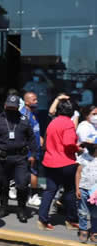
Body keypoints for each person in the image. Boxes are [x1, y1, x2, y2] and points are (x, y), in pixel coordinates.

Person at [0, 95, 37, 222]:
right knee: (3, 184)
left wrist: (33, 154)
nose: (11, 109)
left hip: (20, 157)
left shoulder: (24, 120)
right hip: (3, 157)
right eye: (9, 107)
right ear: (5, 106)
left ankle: (21, 209)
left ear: (18, 107)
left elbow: (32, 138)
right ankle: (3, 207)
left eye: (14, 107)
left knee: (22, 185)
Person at [38, 99, 80, 231]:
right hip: (65, 162)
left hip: (50, 162)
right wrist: (78, 148)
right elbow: (68, 143)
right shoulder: (68, 124)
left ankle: (42, 220)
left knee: (50, 190)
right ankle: (71, 220)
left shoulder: (53, 122)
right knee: (70, 191)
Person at [21, 92, 43, 207]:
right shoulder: (24, 114)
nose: (37, 101)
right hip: (30, 149)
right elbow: (23, 134)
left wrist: (40, 137)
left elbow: (33, 130)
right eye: (34, 100)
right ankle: (33, 196)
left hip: (35, 147)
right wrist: (30, 151)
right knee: (32, 172)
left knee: (33, 171)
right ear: (27, 101)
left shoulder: (33, 113)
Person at [75, 133, 97, 243]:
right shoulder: (83, 157)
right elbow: (78, 173)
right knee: (83, 211)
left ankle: (94, 231)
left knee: (95, 213)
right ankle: (83, 229)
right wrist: (77, 189)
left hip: (95, 192)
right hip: (83, 188)